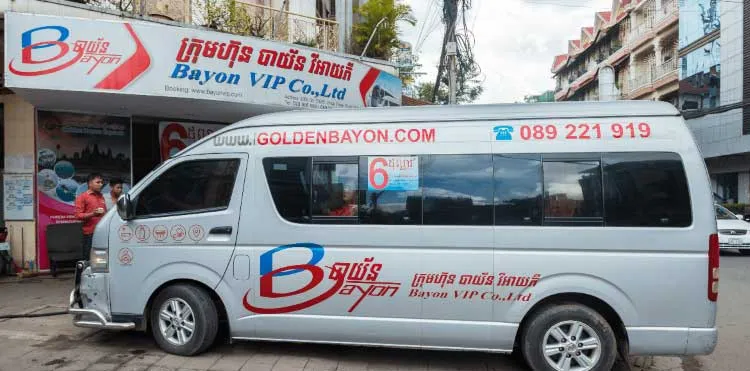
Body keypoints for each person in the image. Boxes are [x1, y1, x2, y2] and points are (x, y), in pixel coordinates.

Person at [75, 173, 107, 260]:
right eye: (98, 182)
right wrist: (93, 214)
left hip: (103, 232)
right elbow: (78, 215)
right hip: (90, 233)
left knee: (100, 259)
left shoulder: (101, 196)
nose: (101, 184)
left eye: (102, 182)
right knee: (88, 259)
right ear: (90, 183)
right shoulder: (82, 197)